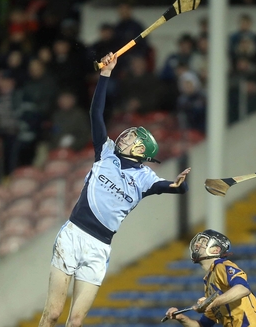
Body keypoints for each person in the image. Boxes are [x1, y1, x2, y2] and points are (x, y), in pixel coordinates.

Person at [38, 52, 192, 327]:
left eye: (133, 137)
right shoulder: (105, 152)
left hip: (99, 248)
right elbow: (95, 113)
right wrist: (105, 75)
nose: (126, 135)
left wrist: (179, 185)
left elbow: (173, 187)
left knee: (74, 323)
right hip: (74, 235)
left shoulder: (146, 178)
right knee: (52, 314)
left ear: (141, 149)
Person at [163, 229, 256, 327]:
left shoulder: (222, 265)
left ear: (216, 249)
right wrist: (181, 318)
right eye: (198, 242)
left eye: (203, 241)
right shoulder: (209, 282)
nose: (197, 244)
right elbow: (203, 325)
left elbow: (243, 289)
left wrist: (212, 302)